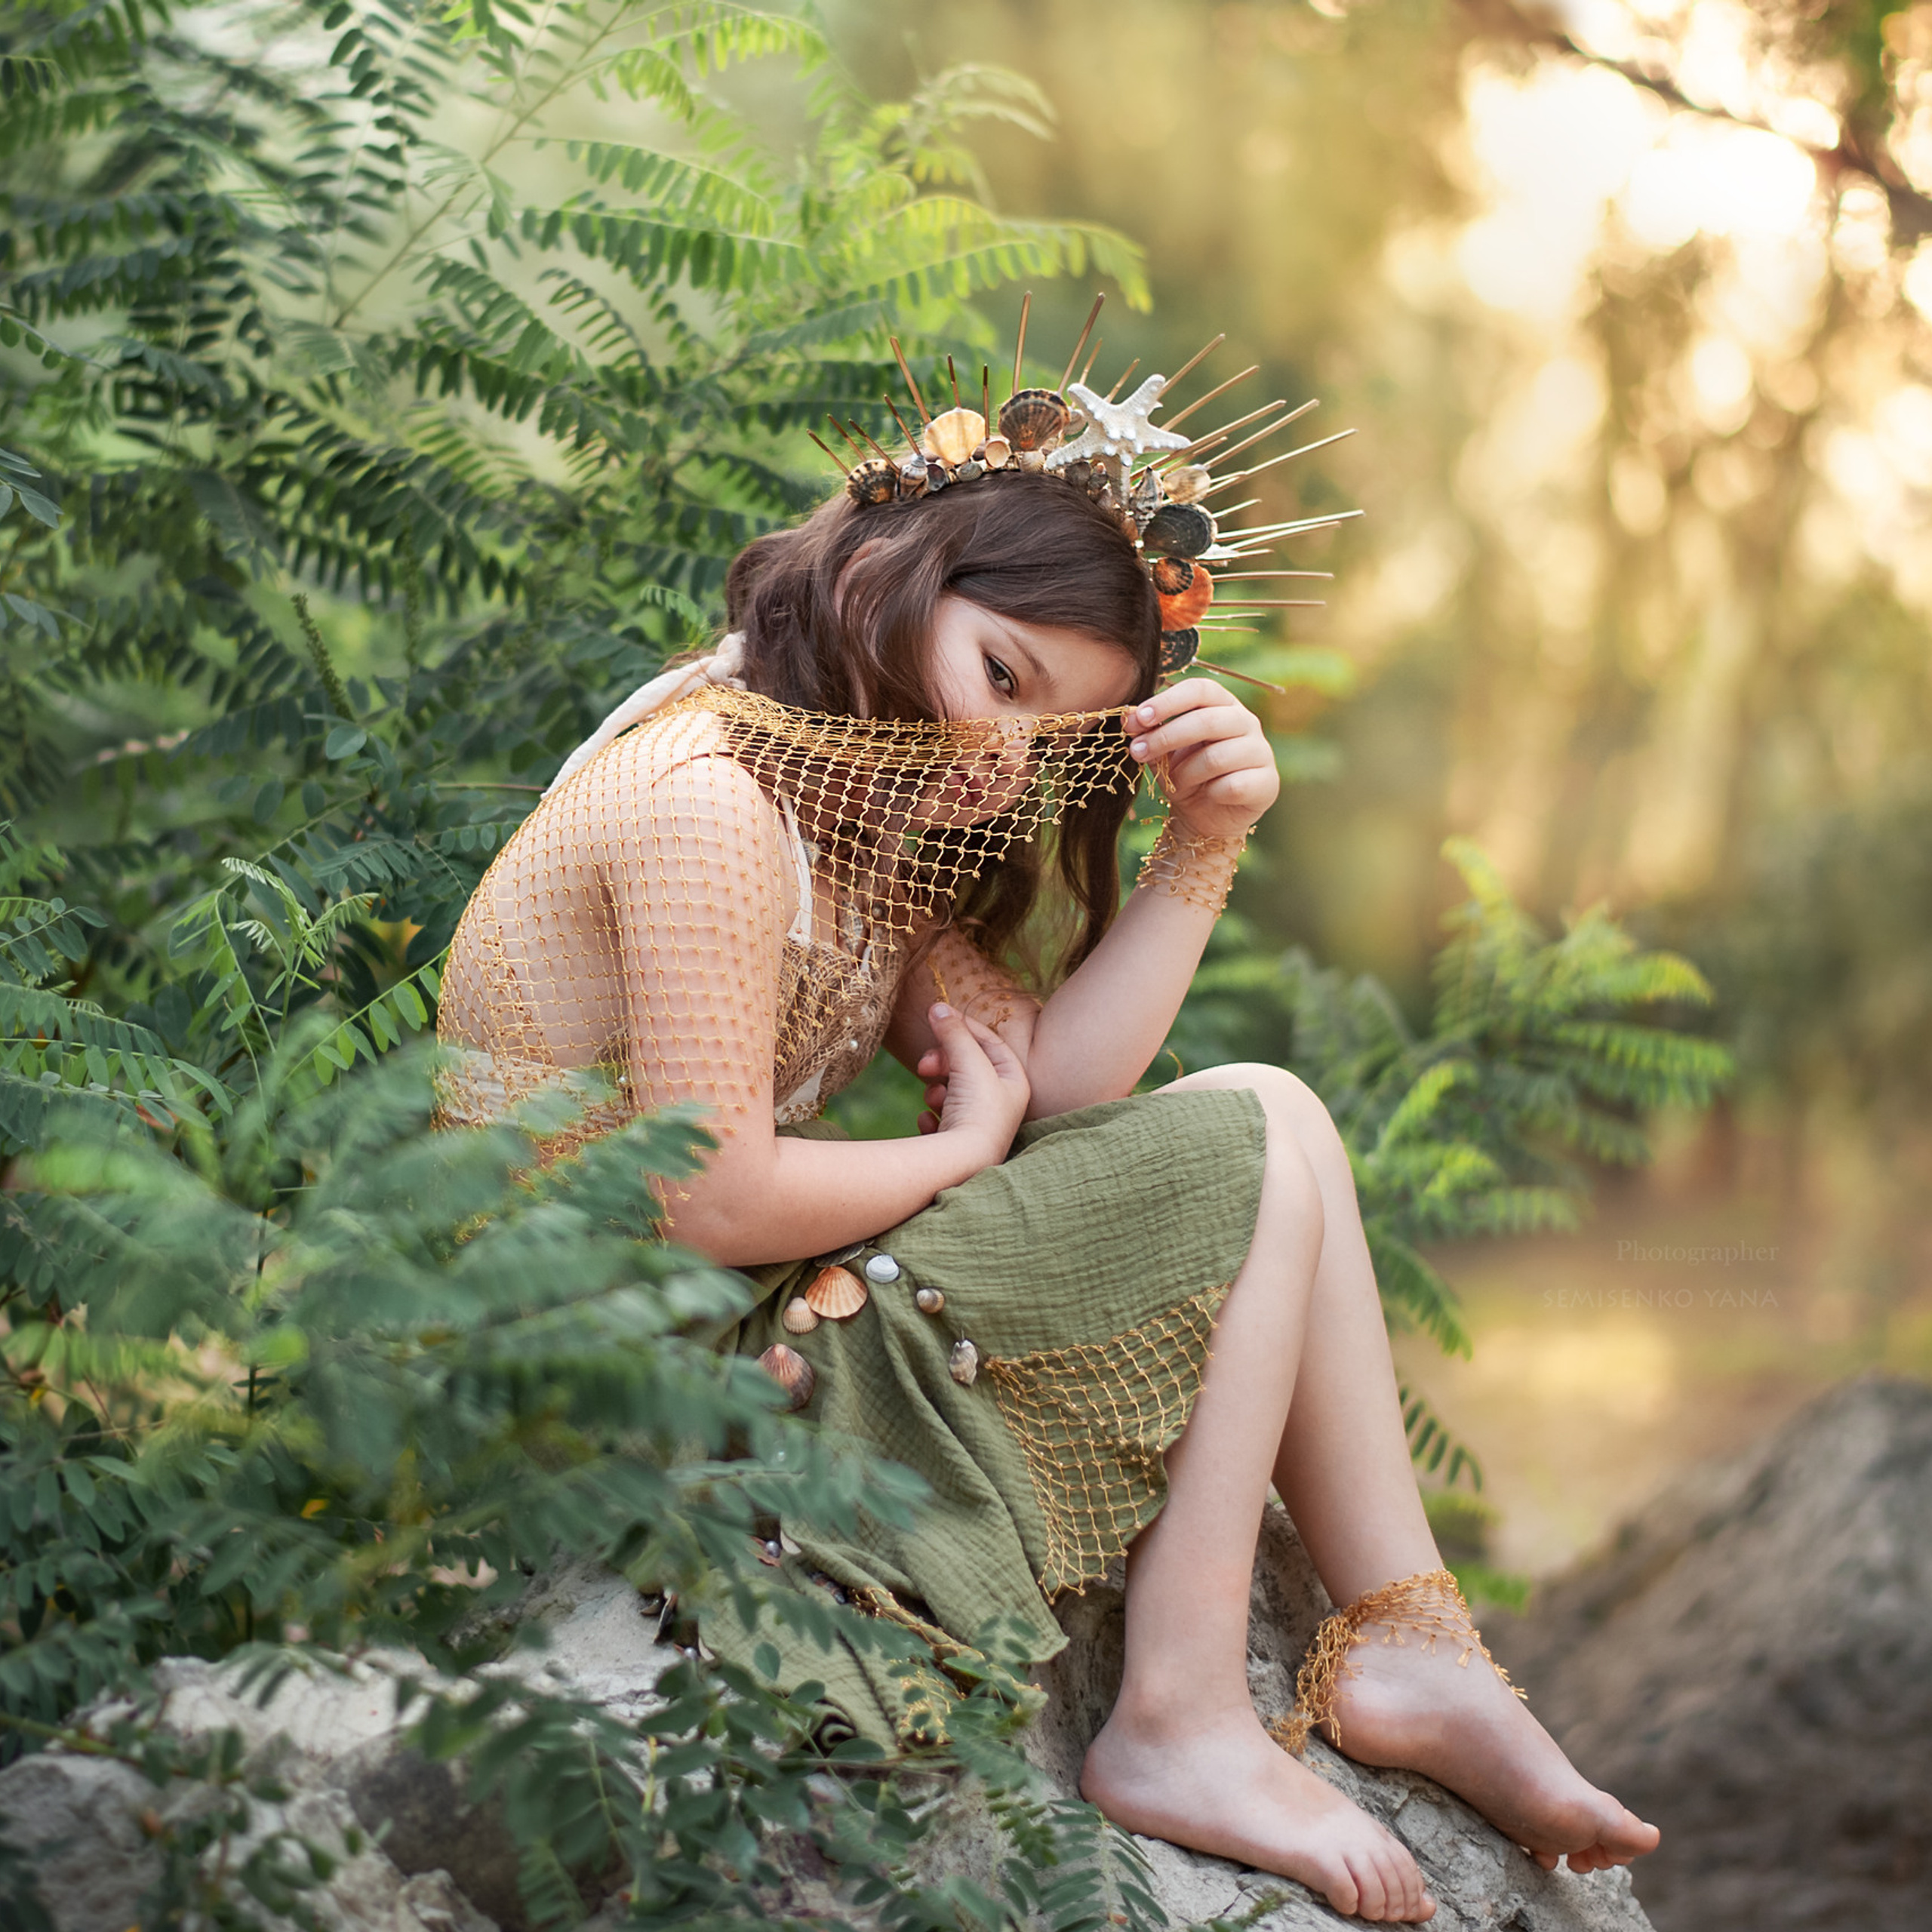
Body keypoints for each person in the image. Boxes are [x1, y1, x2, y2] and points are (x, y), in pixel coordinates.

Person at [436, 370, 1659, 1924]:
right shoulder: (709, 805)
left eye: (1051, 728)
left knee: (1272, 1118)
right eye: (1000, 673)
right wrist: (956, 1157)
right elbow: (711, 1195)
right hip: (596, 1401)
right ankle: (1184, 1717)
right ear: (889, 570)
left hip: (702, 1332)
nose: (1006, 757)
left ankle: (1401, 1639)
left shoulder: (835, 813)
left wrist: (1203, 845)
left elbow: (1057, 1088)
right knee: (1258, 1126)